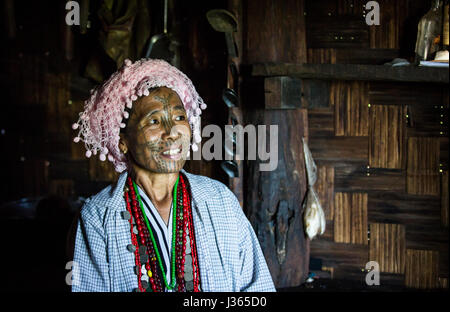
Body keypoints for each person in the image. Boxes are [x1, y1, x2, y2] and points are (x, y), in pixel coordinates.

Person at [71, 58, 275, 292]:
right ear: (123, 142)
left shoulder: (220, 201)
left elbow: (258, 290)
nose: (172, 133)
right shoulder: (98, 216)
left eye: (179, 118)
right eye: (154, 121)